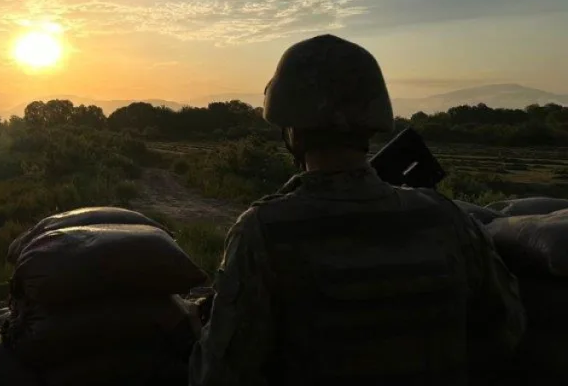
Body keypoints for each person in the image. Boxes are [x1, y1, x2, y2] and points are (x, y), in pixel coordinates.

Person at [189, 33, 526, 386]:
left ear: (292, 131)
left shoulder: (263, 231)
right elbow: (506, 330)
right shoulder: (446, 217)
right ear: (372, 122)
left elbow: (218, 375)